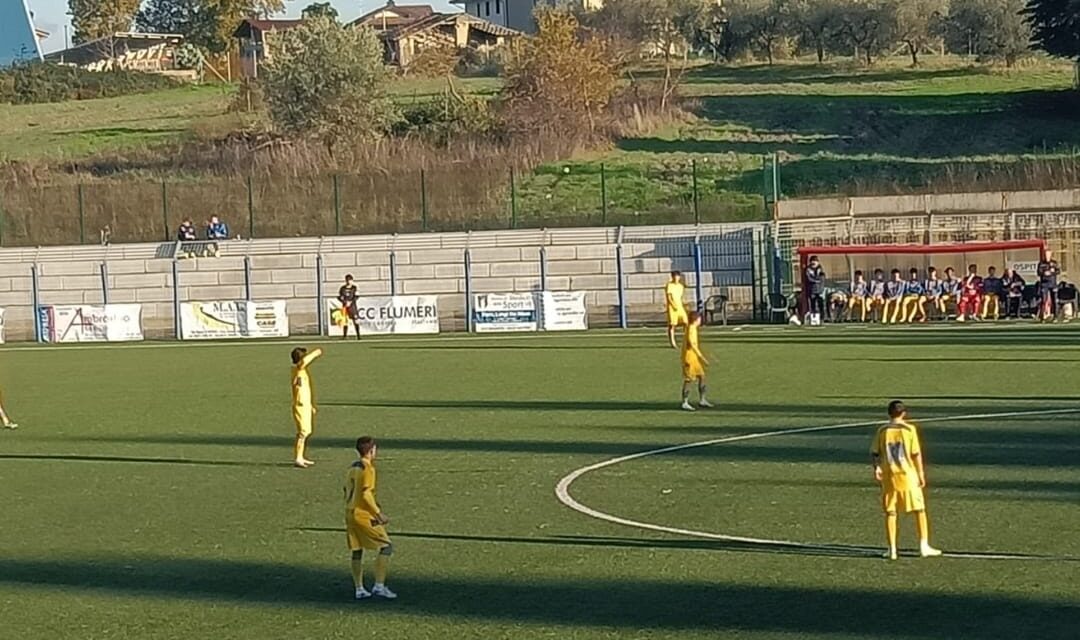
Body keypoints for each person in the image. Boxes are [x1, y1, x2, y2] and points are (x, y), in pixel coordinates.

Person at [871, 400, 942, 561]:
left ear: (889, 413)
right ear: (904, 413)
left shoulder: (882, 431)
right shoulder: (909, 429)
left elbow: (875, 453)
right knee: (919, 509)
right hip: (907, 475)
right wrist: (921, 473)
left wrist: (877, 468)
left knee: (891, 511)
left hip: (890, 476)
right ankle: (924, 546)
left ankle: (892, 549)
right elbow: (915, 453)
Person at [344, 436, 397, 600]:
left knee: (357, 550)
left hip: (349, 512)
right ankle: (379, 586)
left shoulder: (353, 467)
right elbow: (366, 494)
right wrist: (378, 513)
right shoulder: (368, 469)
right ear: (372, 450)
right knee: (386, 546)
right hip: (363, 514)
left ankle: (359, 588)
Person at [290, 346, 323, 468]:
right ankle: (298, 458)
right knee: (303, 432)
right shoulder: (298, 370)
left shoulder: (302, 371)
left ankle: (301, 456)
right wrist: (315, 353)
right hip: (300, 406)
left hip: (305, 406)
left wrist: (310, 405)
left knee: (307, 431)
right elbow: (302, 363)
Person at [680, 312, 712, 411]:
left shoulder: (692, 328)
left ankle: (702, 400)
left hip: (694, 358)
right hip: (689, 358)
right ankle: (685, 402)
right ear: (697, 319)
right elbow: (692, 344)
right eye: (700, 318)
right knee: (689, 379)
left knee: (702, 376)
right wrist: (701, 357)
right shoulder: (690, 329)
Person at [664, 271, 689, 349]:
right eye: (674, 276)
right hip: (672, 308)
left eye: (677, 276)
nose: (676, 278)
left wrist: (684, 304)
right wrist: (673, 305)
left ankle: (686, 340)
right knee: (672, 325)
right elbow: (669, 297)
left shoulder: (681, 286)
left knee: (686, 322)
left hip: (680, 307)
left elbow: (680, 297)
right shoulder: (669, 285)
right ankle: (673, 342)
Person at [1036, 254, 1060, 322]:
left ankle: (1055, 316)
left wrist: (1052, 272)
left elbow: (1058, 271)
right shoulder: (1041, 263)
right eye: (1046, 255)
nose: (1047, 256)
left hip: (1053, 284)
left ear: (1050, 255)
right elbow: (1038, 272)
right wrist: (1044, 273)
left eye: (1048, 255)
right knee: (1043, 300)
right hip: (1044, 284)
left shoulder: (1054, 263)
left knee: (1054, 300)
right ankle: (1042, 316)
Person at [337, 274, 361, 340]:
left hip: (352, 307)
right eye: (347, 280)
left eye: (350, 280)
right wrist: (344, 302)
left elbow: (356, 296)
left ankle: (358, 335)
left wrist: (351, 302)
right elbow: (339, 297)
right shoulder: (342, 288)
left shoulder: (354, 288)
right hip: (345, 307)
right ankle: (345, 335)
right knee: (345, 321)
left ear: (352, 281)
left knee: (355, 320)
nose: (348, 282)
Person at [804, 255, 826, 325]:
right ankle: (813, 319)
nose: (814, 263)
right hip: (812, 290)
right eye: (812, 262)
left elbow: (821, 278)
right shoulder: (808, 270)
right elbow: (809, 279)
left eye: (815, 261)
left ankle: (822, 318)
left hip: (820, 290)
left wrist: (816, 279)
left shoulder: (820, 269)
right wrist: (816, 280)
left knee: (821, 304)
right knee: (812, 305)